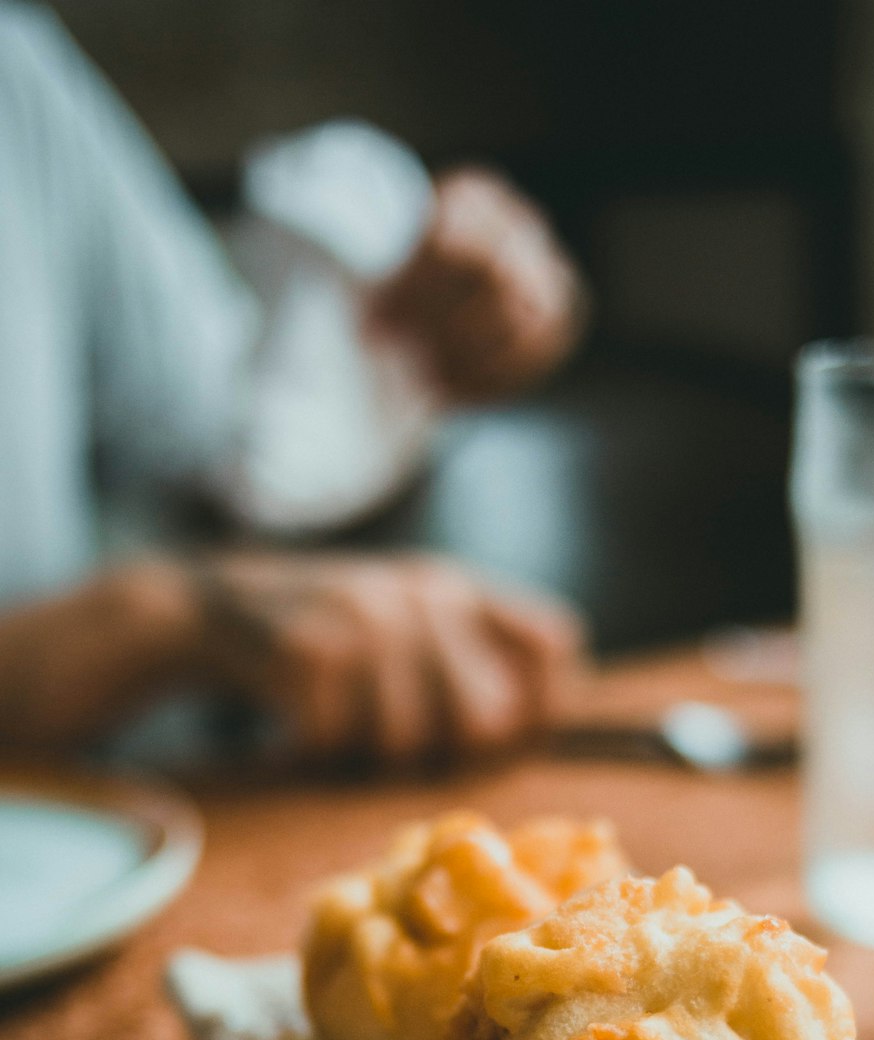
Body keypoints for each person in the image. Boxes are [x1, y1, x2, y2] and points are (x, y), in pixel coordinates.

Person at [0, 4, 586, 763]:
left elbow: (235, 440)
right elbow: (175, 606)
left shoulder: (14, 76)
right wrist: (159, 619)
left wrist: (412, 328)